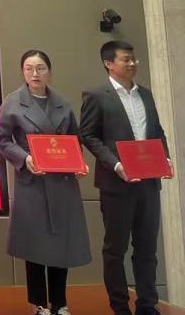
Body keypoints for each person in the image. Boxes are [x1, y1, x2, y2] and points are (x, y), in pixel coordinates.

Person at [0, 50, 91, 315]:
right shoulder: (13, 102)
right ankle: (38, 303)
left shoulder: (62, 104)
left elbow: (74, 141)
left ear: (49, 71)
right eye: (29, 68)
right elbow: (1, 139)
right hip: (32, 181)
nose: (35, 74)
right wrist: (24, 158)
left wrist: (78, 163)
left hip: (62, 182)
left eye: (40, 68)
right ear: (23, 72)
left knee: (61, 242)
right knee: (34, 242)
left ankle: (60, 302)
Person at [80, 40, 173, 315]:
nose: (132, 63)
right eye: (126, 59)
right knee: (115, 249)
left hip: (148, 183)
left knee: (147, 248)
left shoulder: (145, 94)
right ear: (109, 63)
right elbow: (88, 135)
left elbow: (157, 131)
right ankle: (120, 306)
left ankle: (148, 304)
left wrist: (164, 157)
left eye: (134, 59)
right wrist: (116, 164)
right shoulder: (97, 95)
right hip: (116, 184)